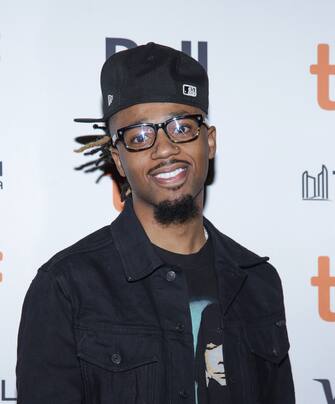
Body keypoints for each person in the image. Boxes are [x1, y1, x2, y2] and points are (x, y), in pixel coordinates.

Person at [16, 42, 295, 404]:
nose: (164, 149)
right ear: (118, 160)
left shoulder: (257, 282)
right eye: (139, 136)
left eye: (181, 127)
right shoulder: (66, 288)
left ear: (208, 142)